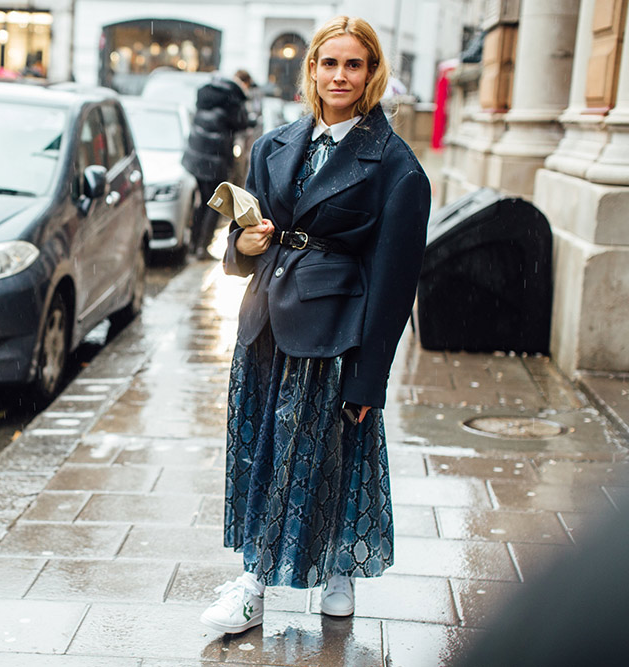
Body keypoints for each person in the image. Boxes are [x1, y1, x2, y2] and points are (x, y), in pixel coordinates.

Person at [200, 15, 430, 634]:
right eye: (329, 63)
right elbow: (241, 244)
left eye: (353, 64)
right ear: (312, 70)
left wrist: (368, 379)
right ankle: (254, 580)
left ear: (372, 73)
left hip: (333, 331)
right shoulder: (274, 143)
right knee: (263, 454)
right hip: (265, 326)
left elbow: (395, 281)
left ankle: (323, 573)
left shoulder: (395, 166)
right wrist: (245, 241)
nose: (339, 76)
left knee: (332, 455)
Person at [182, 71, 251, 260]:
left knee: (201, 202)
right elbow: (242, 123)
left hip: (198, 156)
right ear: (245, 82)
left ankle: (193, 244)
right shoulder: (233, 98)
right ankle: (202, 247)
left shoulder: (209, 91)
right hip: (216, 158)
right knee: (215, 203)